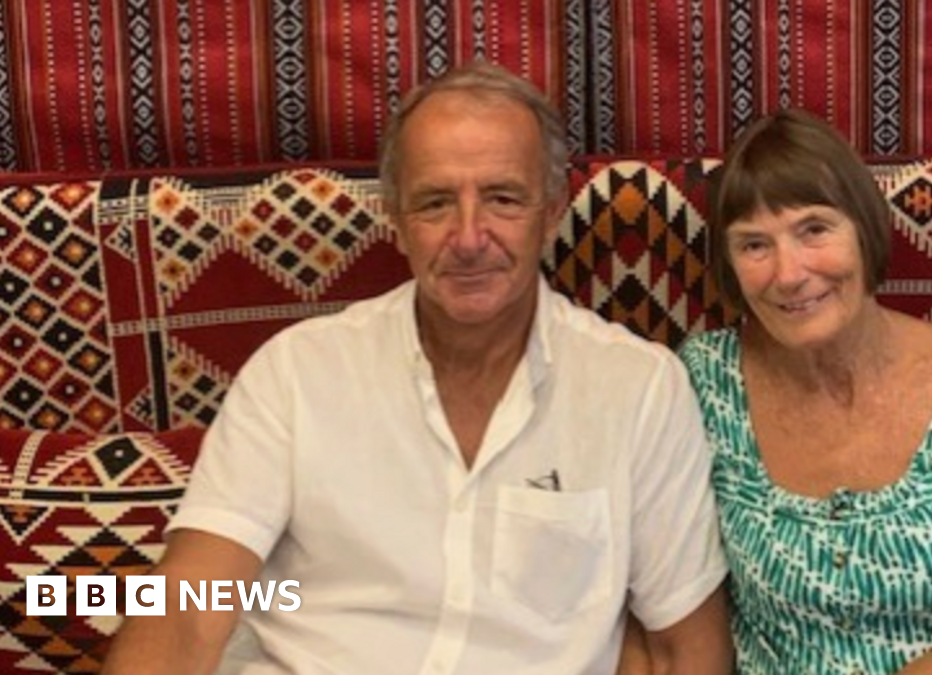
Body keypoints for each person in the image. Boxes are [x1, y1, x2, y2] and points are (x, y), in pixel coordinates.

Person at [101, 61, 732, 675]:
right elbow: (188, 602)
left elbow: (684, 648)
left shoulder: (638, 389)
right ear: (396, 223)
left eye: (502, 198)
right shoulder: (298, 372)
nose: (468, 236)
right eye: (434, 204)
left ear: (551, 212)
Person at [678, 109, 932, 675]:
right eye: (754, 245)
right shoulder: (703, 380)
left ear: (865, 230)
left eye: (814, 229)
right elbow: (675, 609)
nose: (788, 274)